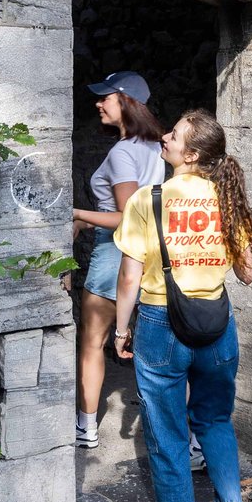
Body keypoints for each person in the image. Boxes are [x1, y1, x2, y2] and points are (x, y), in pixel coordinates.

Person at [113, 109, 252, 502]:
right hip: (216, 322)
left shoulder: (147, 200)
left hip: (160, 324)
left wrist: (121, 330)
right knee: (215, 420)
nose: (164, 136)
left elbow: (129, 274)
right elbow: (249, 272)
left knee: (168, 436)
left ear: (191, 154)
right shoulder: (226, 198)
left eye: (173, 135)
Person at [73, 70, 165, 450]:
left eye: (105, 97)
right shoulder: (157, 149)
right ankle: (171, 433)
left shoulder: (123, 152)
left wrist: (78, 214)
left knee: (92, 342)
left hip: (116, 252)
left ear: (126, 102)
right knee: (149, 347)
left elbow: (128, 215)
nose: (98, 103)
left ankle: (86, 428)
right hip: (152, 253)